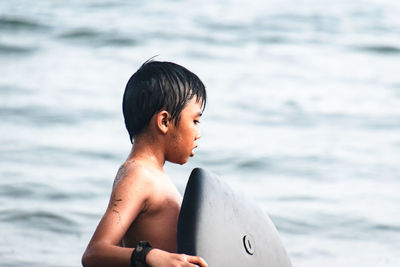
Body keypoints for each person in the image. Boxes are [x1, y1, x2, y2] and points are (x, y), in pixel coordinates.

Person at [82, 60, 208, 267]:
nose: (198, 133)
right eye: (195, 121)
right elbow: (94, 253)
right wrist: (150, 256)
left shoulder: (153, 175)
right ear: (164, 121)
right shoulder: (139, 176)